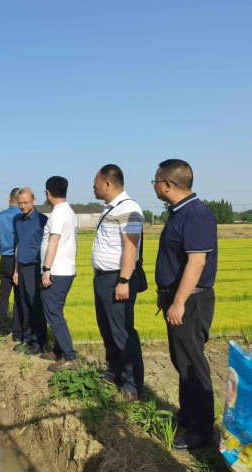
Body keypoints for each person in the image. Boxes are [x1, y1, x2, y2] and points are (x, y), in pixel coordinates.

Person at [154, 159, 218, 450]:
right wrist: (165, 294)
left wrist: (178, 301)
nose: (154, 186)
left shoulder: (195, 214)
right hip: (178, 297)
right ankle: (188, 415)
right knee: (182, 360)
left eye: (156, 181)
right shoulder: (179, 212)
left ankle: (202, 431)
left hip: (191, 301)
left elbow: (196, 262)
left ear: (168, 185)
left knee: (193, 363)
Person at [92, 164, 144, 402]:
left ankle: (132, 386)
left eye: (95, 182)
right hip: (104, 278)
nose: (93, 186)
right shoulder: (111, 208)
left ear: (107, 184)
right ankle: (113, 373)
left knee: (122, 332)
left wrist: (123, 281)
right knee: (108, 330)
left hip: (117, 278)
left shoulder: (128, 208)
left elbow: (130, 249)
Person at [39, 176, 80, 372]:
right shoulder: (70, 212)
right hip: (66, 269)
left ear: (48, 193)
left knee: (53, 313)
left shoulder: (57, 213)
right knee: (57, 311)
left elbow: (53, 242)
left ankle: (70, 357)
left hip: (56, 271)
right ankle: (58, 350)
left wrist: (46, 269)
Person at [12, 187, 48, 356]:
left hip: (35, 268)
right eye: (20, 203)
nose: (23, 206)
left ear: (34, 200)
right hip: (22, 267)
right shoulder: (17, 220)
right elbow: (17, 246)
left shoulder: (43, 220)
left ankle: (38, 341)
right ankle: (26, 339)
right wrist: (16, 270)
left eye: (26, 202)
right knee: (24, 304)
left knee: (36, 305)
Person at [0, 188, 23, 339]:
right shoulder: (22, 216)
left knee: (4, 295)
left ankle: (2, 328)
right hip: (19, 260)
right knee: (18, 296)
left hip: (5, 259)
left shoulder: (0, 217)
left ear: (9, 199)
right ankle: (17, 330)